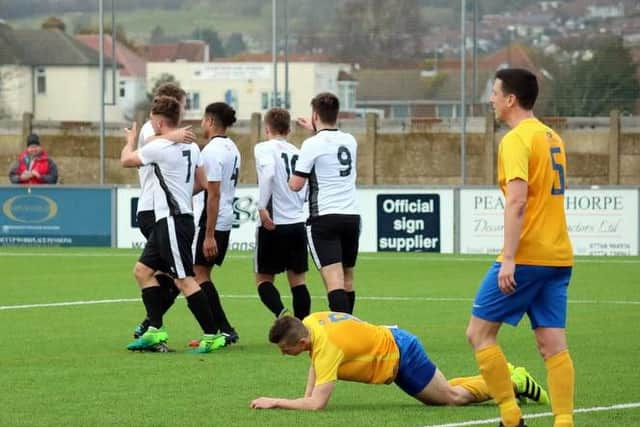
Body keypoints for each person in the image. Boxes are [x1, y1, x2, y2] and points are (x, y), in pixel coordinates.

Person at [465, 68, 574, 427]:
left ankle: (511, 419)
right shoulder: (551, 136)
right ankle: (564, 421)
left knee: (479, 334)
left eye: (495, 93)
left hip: (527, 256)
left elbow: (517, 201)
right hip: (558, 256)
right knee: (552, 345)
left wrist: (509, 258)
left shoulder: (515, 140)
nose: (491, 99)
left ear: (511, 99)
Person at [250, 312, 548, 411]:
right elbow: (316, 363)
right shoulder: (311, 322)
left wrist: (275, 401)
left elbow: (317, 405)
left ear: (301, 343)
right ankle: (503, 376)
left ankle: (514, 381)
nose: (282, 354)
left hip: (401, 354)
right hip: (393, 344)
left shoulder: (328, 347)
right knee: (443, 391)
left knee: (451, 399)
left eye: (284, 349)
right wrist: (306, 395)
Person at [120, 96, 225, 354]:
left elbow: (126, 160)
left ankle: (213, 335)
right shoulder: (192, 147)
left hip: (173, 221)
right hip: (173, 219)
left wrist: (129, 141)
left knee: (184, 280)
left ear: (158, 121)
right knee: (142, 271)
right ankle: (155, 330)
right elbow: (201, 183)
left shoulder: (160, 147)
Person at [132, 82, 197, 340]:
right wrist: (172, 136)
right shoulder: (155, 128)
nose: (182, 112)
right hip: (153, 208)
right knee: (174, 276)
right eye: (181, 105)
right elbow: (146, 143)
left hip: (167, 210)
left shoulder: (181, 139)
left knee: (163, 274)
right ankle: (152, 326)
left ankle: (152, 325)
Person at [289, 93, 360, 314]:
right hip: (351, 217)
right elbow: (328, 143)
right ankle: (351, 329)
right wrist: (316, 127)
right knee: (347, 278)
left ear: (315, 115)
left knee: (333, 280)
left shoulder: (311, 144)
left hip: (324, 219)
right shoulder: (350, 140)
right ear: (336, 115)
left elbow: (296, 185)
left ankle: (341, 334)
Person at [253, 108, 311, 320]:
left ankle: (283, 315)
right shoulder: (298, 152)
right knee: (298, 282)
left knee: (263, 280)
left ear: (267, 128)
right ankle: (303, 327)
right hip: (296, 223)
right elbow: (307, 185)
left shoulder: (263, 148)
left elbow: (268, 173)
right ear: (289, 130)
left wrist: (261, 207)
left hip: (273, 224)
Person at [191, 102, 241, 347]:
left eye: (203, 119)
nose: (201, 123)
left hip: (213, 220)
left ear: (210, 121)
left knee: (198, 274)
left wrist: (209, 234)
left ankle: (223, 329)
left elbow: (214, 193)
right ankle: (222, 328)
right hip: (224, 218)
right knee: (201, 273)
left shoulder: (211, 151)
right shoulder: (232, 147)